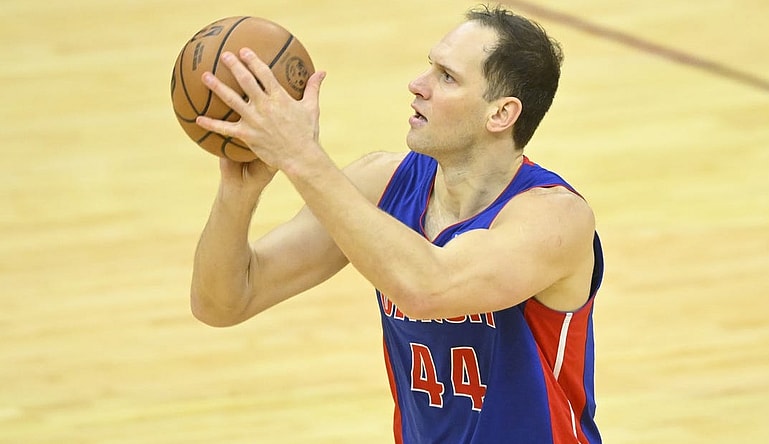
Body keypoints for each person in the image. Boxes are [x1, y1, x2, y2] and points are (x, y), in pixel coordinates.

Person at [190, 4, 604, 443]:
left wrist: (301, 157)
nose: (418, 85)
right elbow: (223, 303)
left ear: (500, 114)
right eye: (430, 67)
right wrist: (238, 193)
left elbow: (429, 287)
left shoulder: (555, 218)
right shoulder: (380, 183)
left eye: (446, 77)